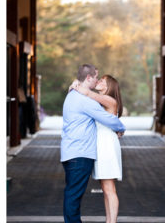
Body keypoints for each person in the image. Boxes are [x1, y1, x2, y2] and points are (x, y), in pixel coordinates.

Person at [61, 64, 125, 223]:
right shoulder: (91, 101)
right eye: (97, 78)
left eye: (102, 80)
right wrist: (77, 85)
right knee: (104, 189)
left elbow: (109, 118)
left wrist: (80, 87)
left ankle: (112, 222)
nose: (98, 81)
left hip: (107, 147)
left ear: (109, 86)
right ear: (89, 78)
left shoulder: (106, 100)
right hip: (95, 148)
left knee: (109, 189)